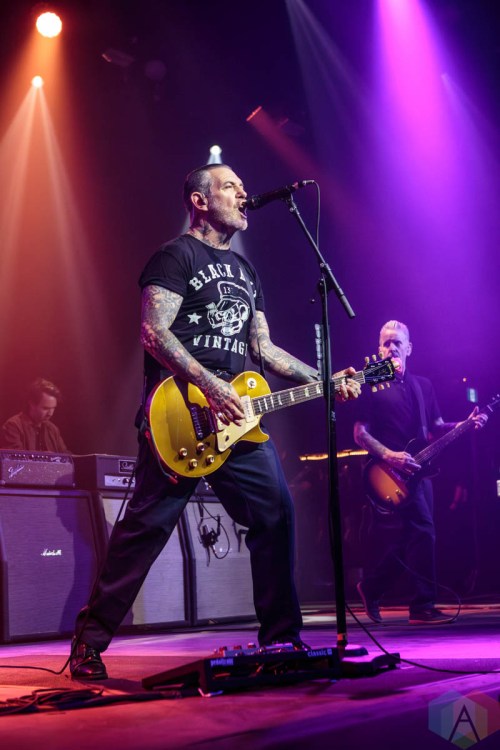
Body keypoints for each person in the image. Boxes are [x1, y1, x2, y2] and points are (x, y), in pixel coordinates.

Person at [69, 163, 361, 679]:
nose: (244, 194)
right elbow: (153, 332)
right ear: (200, 201)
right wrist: (208, 383)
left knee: (275, 514)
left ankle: (281, 641)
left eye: (244, 188)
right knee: (145, 530)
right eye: (231, 187)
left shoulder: (246, 272)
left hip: (238, 417)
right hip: (180, 412)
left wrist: (325, 379)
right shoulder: (175, 256)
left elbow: (263, 348)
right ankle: (88, 645)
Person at [354, 320, 488, 625]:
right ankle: (422, 606)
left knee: (415, 535)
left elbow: (435, 428)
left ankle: (372, 587)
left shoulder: (422, 386)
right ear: (378, 349)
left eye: (397, 343)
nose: (391, 348)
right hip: (386, 471)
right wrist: (391, 456)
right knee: (423, 531)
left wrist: (465, 424)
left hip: (419, 470)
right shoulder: (371, 382)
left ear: (409, 348)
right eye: (386, 343)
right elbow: (360, 433)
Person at [1, 378, 69, 452]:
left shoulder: (53, 429)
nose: (50, 414)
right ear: (32, 404)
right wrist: (46, 457)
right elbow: (15, 457)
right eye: (45, 408)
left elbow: (65, 455)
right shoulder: (13, 426)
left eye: (53, 408)